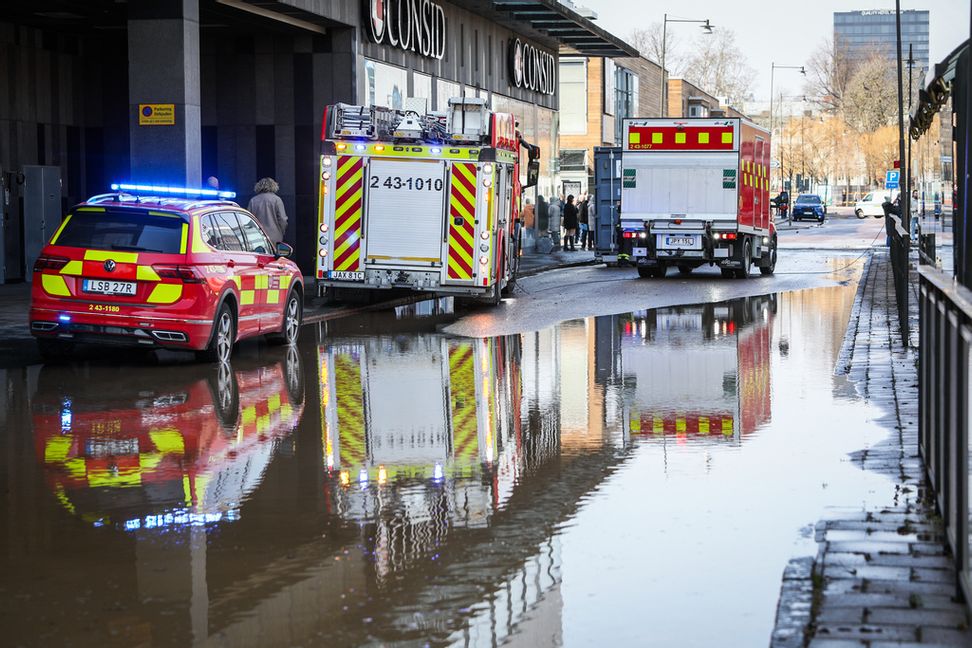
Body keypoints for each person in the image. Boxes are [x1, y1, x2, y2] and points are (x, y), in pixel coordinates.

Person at [247, 177, 289, 245]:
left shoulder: (253, 201)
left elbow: (248, 220)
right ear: (274, 186)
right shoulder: (277, 200)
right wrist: (281, 231)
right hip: (275, 236)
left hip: (257, 236)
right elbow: (282, 219)